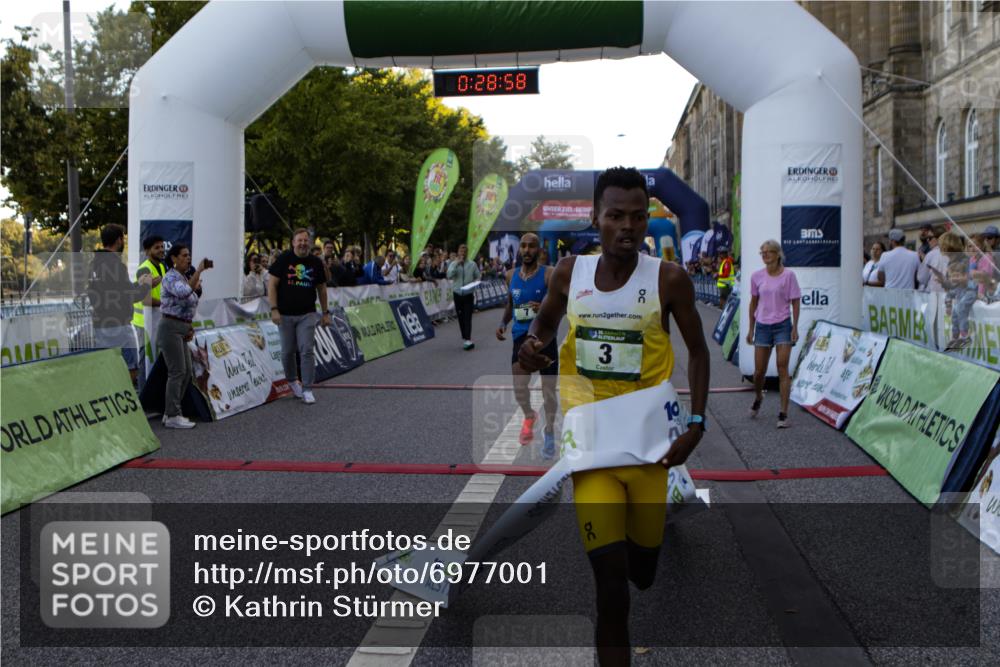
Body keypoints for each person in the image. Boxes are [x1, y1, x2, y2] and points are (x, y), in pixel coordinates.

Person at [518, 167, 709, 665]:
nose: (628, 226)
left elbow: (698, 351)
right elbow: (543, 324)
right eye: (616, 216)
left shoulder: (669, 279)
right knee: (611, 589)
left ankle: (647, 536)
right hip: (592, 447)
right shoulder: (569, 273)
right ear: (595, 217)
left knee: (641, 573)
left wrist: (697, 424)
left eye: (638, 217)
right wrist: (532, 345)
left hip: (649, 450)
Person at [496, 233, 558, 458]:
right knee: (519, 387)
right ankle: (529, 414)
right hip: (520, 336)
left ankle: (549, 431)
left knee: (548, 391)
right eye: (523, 246)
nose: (526, 250)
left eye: (531, 246)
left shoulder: (549, 274)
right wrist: (503, 323)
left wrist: (543, 306)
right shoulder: (510, 275)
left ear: (539, 250)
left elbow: (559, 304)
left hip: (544, 337)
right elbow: (510, 303)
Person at [268, 228, 331, 405]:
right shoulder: (284, 259)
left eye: (305, 240)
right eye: (299, 240)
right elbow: (272, 284)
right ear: (293, 243)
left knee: (307, 350)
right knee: (287, 351)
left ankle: (308, 388)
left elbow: (322, 289)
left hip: (307, 314)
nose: (303, 243)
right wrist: (274, 309)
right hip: (285, 314)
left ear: (309, 243)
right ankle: (292, 381)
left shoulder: (315, 262)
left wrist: (325, 313)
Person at [86, 224, 151, 386]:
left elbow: (117, 291)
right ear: (118, 240)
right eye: (123, 239)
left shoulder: (93, 264)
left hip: (100, 324)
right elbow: (130, 296)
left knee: (108, 369)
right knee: (131, 369)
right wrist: (146, 286)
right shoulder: (116, 265)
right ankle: (125, 398)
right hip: (119, 325)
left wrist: (138, 284)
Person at [746, 239, 801, 428]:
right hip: (762, 326)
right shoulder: (756, 276)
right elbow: (753, 303)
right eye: (762, 252)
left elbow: (795, 301)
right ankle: (758, 396)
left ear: (778, 254)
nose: (765, 255)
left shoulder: (789, 275)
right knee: (759, 372)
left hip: (783, 325)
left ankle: (783, 413)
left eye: (769, 251)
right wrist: (751, 329)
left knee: (782, 368)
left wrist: (795, 327)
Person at [158, 244, 211, 428]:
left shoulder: (183, 277)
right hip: (170, 328)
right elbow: (183, 293)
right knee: (177, 371)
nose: (188, 258)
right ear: (174, 258)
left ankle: (171, 411)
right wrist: (199, 271)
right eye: (184, 255)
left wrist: (188, 327)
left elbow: (191, 302)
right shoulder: (170, 277)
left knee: (186, 371)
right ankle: (173, 415)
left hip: (181, 328)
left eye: (189, 255)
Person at [132, 235, 166, 390]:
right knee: (145, 360)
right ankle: (143, 396)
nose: (161, 250)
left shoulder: (162, 267)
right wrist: (167, 304)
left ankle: (153, 393)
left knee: (155, 359)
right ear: (147, 251)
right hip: (144, 323)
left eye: (162, 246)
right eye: (156, 247)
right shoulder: (144, 269)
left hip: (156, 320)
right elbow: (146, 300)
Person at [447, 243, 481, 350]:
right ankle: (465, 336)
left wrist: (475, 283)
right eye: (461, 251)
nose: (463, 253)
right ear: (458, 252)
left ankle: (468, 338)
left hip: (468, 295)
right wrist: (457, 264)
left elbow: (478, 276)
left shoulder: (472, 264)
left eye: (465, 251)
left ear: (467, 253)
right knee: (461, 317)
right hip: (457, 294)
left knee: (467, 317)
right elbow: (449, 275)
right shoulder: (453, 263)